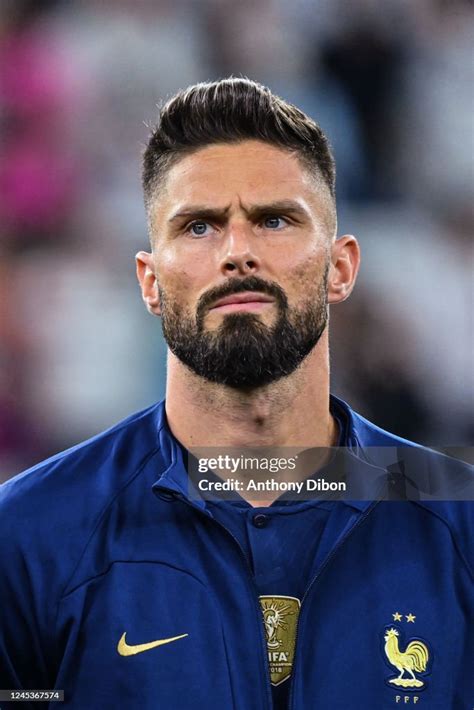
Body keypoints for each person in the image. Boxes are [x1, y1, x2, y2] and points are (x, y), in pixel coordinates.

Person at [0, 78, 472, 710]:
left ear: (341, 267)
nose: (238, 252)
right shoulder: (27, 538)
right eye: (199, 227)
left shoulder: (461, 527)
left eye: (274, 220)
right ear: (149, 281)